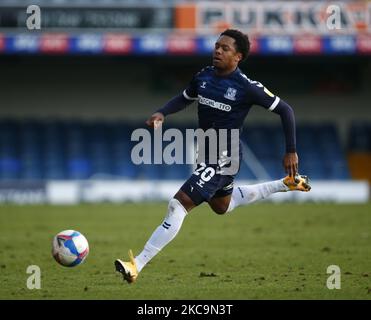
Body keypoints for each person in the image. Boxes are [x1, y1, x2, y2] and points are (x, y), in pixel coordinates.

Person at [114, 29, 311, 283]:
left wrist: (291, 150)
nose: (217, 50)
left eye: (225, 48)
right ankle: (285, 184)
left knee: (179, 203)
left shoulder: (247, 87)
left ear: (238, 56)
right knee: (222, 206)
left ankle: (136, 265)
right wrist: (162, 112)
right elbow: (184, 98)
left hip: (225, 155)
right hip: (207, 151)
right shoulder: (204, 76)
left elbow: (286, 110)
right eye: (216, 46)